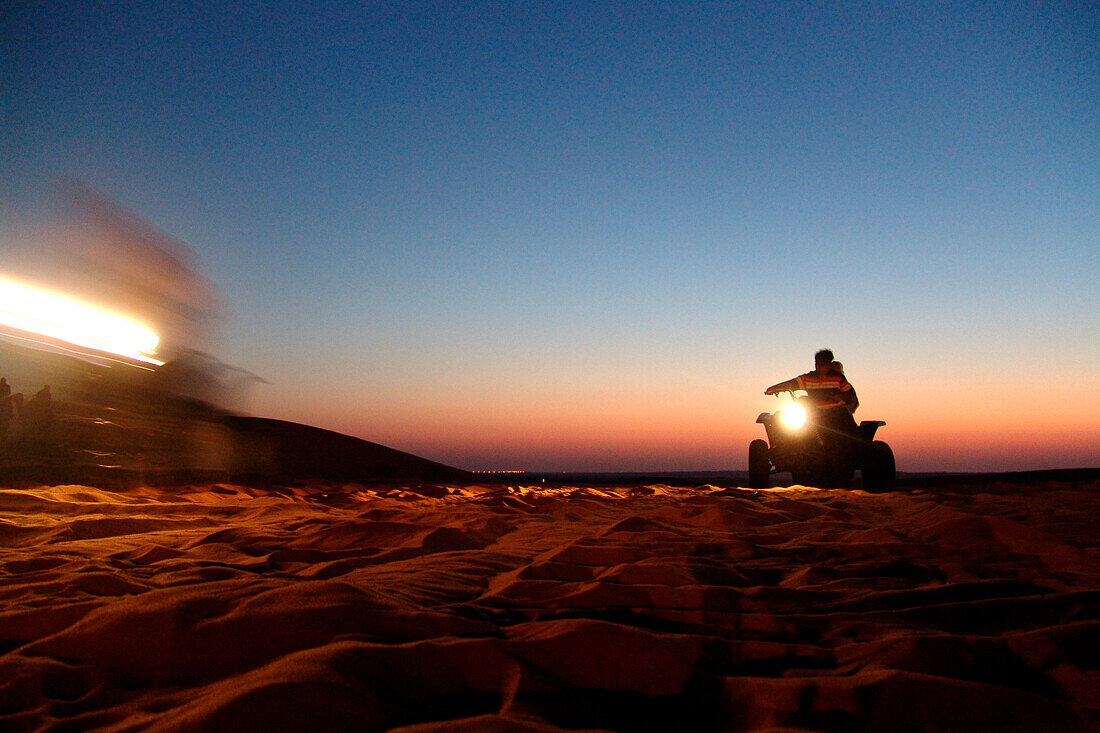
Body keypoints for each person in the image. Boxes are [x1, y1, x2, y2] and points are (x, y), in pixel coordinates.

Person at [765, 349, 859, 432]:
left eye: (823, 364)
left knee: (847, 432)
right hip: (815, 415)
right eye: (817, 363)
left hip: (836, 415)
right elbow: (791, 383)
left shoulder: (838, 378)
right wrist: (773, 388)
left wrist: (839, 397)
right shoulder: (808, 378)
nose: (819, 367)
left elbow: (850, 395)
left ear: (829, 364)